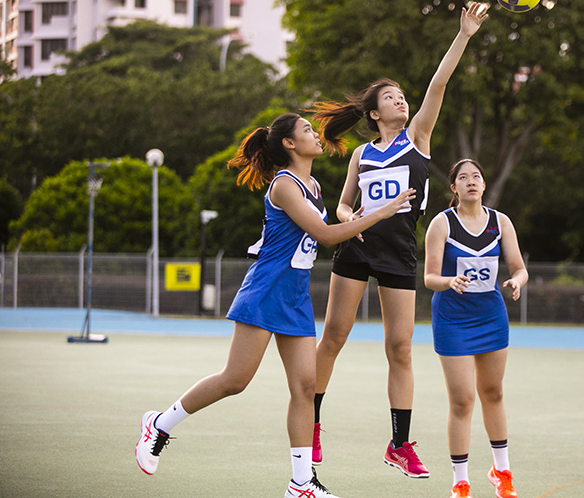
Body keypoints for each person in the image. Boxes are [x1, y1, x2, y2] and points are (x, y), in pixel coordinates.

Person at [134, 113, 415, 498]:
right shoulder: (284, 185)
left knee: (305, 386)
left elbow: (333, 226)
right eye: (306, 131)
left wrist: (360, 215)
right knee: (235, 380)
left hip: (295, 297)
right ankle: (160, 423)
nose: (315, 135)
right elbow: (327, 235)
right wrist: (380, 214)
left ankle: (301, 483)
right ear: (288, 144)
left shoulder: (313, 184)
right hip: (266, 291)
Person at [309, 2, 490, 478]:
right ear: (373, 112)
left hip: (398, 254)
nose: (402, 101)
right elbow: (343, 206)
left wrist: (464, 34)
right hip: (357, 248)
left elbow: (438, 85)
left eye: (402, 96)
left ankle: (398, 444)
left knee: (401, 349)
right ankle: (310, 424)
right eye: (391, 98)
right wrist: (356, 219)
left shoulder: (417, 140)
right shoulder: (363, 154)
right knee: (333, 336)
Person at [423, 159, 528, 498]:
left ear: (484, 185)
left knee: (493, 393)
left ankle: (502, 472)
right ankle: (460, 481)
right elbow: (429, 277)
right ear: (453, 187)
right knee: (463, 400)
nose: (471, 182)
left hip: (491, 317)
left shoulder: (501, 222)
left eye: (477, 177)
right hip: (453, 320)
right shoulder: (442, 224)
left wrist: (516, 281)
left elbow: (519, 268)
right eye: (463, 178)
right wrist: (448, 281)